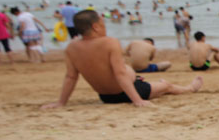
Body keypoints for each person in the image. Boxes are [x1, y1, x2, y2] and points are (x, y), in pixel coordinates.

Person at [42, 10, 202, 108]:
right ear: (95, 27)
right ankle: (190, 89)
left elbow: (71, 76)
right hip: (127, 92)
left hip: (104, 96)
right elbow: (119, 73)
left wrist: (61, 102)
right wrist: (137, 100)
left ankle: (146, 83)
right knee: (167, 86)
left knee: (142, 79)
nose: (105, 27)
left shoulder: (71, 48)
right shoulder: (109, 42)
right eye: (103, 24)